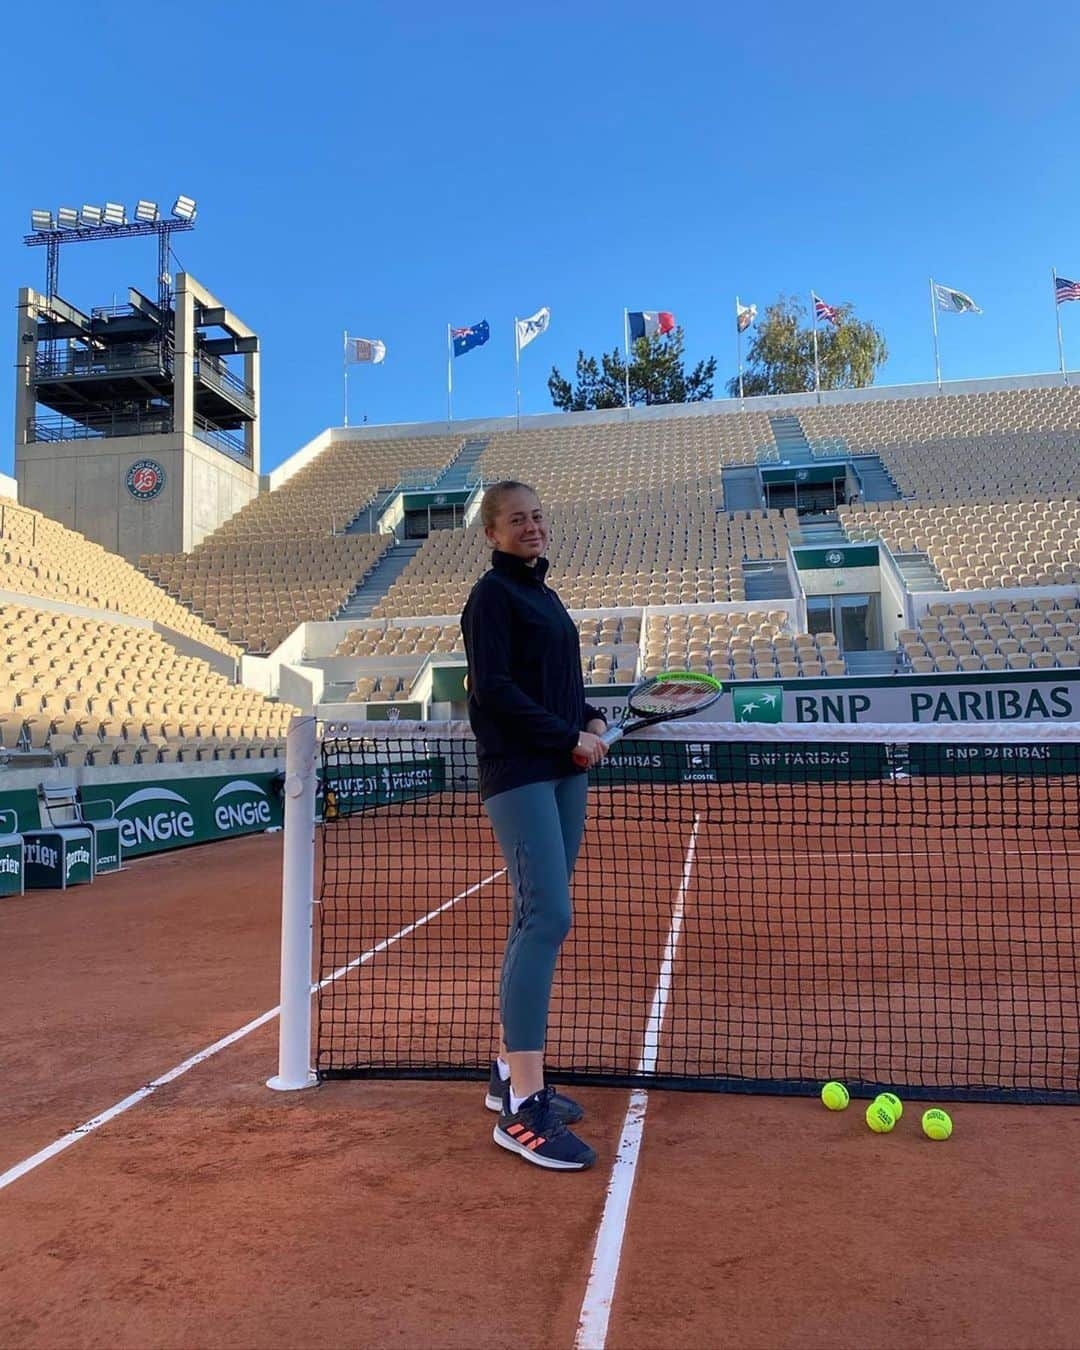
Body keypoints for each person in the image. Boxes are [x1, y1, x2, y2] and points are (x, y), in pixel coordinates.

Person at [460, 480, 608, 1171]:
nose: (532, 527)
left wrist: (592, 717)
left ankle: (506, 1072)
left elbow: (559, 680)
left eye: (539, 516)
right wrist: (566, 735)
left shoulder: (545, 596)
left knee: (538, 916)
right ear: (492, 533)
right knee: (545, 917)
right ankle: (523, 1106)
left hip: (563, 767)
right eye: (517, 519)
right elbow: (494, 688)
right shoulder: (492, 596)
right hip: (521, 770)